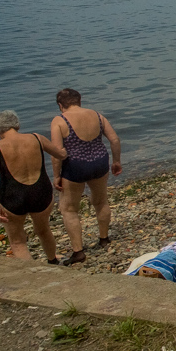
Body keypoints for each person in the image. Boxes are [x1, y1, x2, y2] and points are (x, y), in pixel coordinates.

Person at [50, 89, 121, 266]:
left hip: (75, 166)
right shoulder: (96, 115)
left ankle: (78, 251)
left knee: (69, 208)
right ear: (79, 101)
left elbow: (57, 153)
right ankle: (104, 239)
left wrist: (57, 175)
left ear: (60, 105)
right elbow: (114, 139)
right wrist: (116, 161)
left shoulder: (59, 120)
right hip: (99, 162)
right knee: (101, 201)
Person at [0, 110, 66, 264]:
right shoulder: (37, 138)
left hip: (13, 195)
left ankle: (33, 274)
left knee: (18, 241)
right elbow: (60, 155)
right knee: (44, 230)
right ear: (17, 125)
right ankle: (53, 262)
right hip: (40, 191)